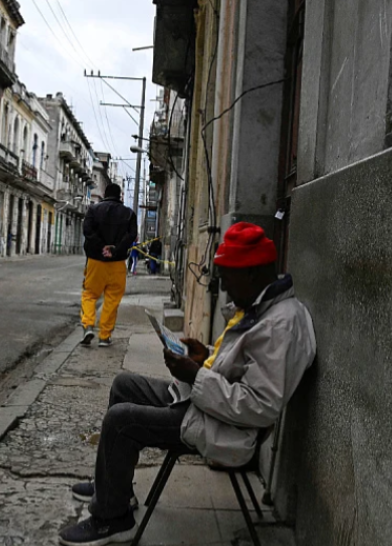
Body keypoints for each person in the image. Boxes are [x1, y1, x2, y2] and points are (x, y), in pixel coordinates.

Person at [58, 222, 317, 545]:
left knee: (120, 420)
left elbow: (258, 408)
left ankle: (113, 519)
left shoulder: (281, 325)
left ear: (252, 273)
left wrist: (196, 376)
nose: (224, 287)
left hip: (226, 429)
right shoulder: (264, 308)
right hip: (208, 407)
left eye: (227, 277)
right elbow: (241, 370)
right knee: (124, 384)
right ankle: (114, 491)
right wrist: (204, 356)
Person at [80, 183, 138, 348]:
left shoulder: (93, 210)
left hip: (95, 261)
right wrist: (115, 249)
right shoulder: (129, 214)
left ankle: (88, 326)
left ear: (105, 194)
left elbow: (87, 231)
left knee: (89, 295)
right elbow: (132, 235)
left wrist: (101, 247)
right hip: (118, 262)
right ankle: (104, 336)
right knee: (112, 299)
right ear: (120, 196)